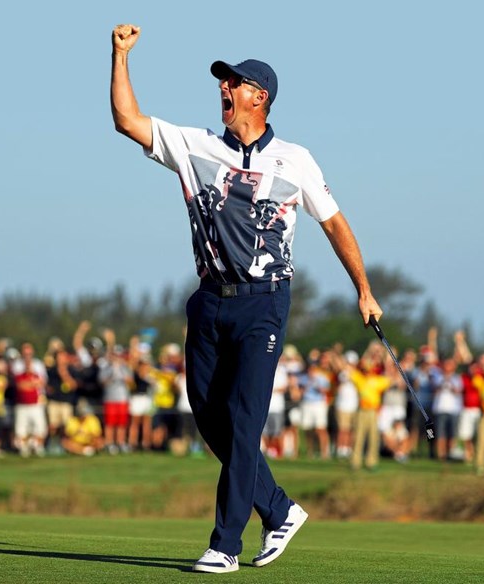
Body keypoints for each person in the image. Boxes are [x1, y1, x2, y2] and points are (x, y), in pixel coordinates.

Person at [110, 23, 383, 573]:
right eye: (222, 82)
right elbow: (126, 120)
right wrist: (119, 57)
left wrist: (364, 289)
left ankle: (225, 544)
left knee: (243, 417)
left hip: (265, 302)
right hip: (209, 299)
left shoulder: (295, 159)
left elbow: (334, 225)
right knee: (211, 417)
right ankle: (279, 510)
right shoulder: (195, 145)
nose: (222, 89)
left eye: (231, 83)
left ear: (258, 97)